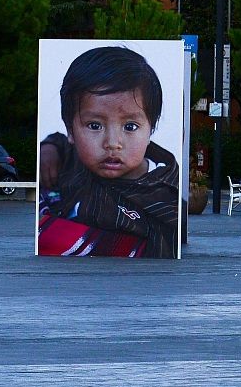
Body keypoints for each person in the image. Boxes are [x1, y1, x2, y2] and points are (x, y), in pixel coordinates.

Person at [37, 46, 179, 259]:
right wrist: (48, 148)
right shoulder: (74, 158)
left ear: (151, 129)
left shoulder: (167, 200)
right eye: (95, 126)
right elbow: (59, 142)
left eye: (130, 126)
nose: (113, 143)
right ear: (71, 130)